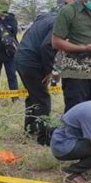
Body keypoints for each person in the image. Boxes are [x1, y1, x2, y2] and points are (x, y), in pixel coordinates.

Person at [14, 11, 59, 145]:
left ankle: (30, 128)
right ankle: (43, 137)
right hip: (32, 62)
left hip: (21, 58)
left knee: (33, 96)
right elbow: (46, 46)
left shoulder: (43, 20)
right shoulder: (57, 22)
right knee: (43, 99)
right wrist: (48, 71)